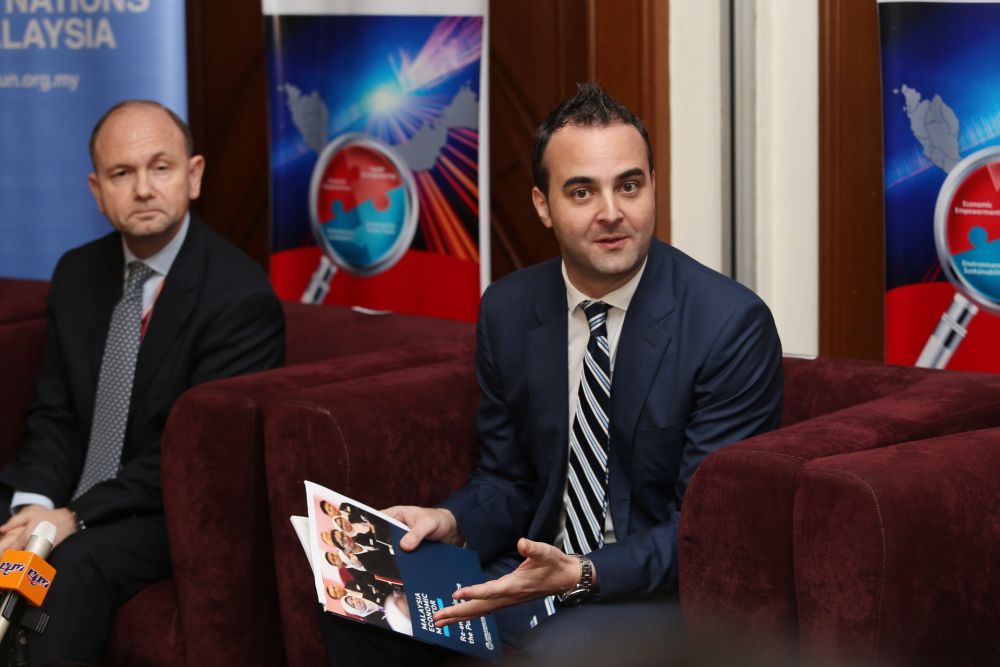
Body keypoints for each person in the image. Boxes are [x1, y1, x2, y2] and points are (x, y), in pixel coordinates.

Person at [321, 82, 783, 662]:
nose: (611, 212)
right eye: (582, 191)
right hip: (532, 568)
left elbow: (707, 530)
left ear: (652, 186)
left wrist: (580, 571)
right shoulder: (509, 308)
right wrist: (451, 521)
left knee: (558, 655)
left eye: (629, 186)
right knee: (362, 604)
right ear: (543, 206)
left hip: (650, 589)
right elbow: (507, 478)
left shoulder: (728, 324)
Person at [0, 99, 285, 664]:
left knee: (72, 562)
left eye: (161, 167)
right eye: (121, 173)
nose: (144, 189)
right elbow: (55, 414)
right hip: (73, 491)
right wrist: (30, 507)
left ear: (193, 176)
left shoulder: (239, 297)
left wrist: (72, 518)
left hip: (170, 507)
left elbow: (199, 457)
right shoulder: (77, 273)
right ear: (96, 190)